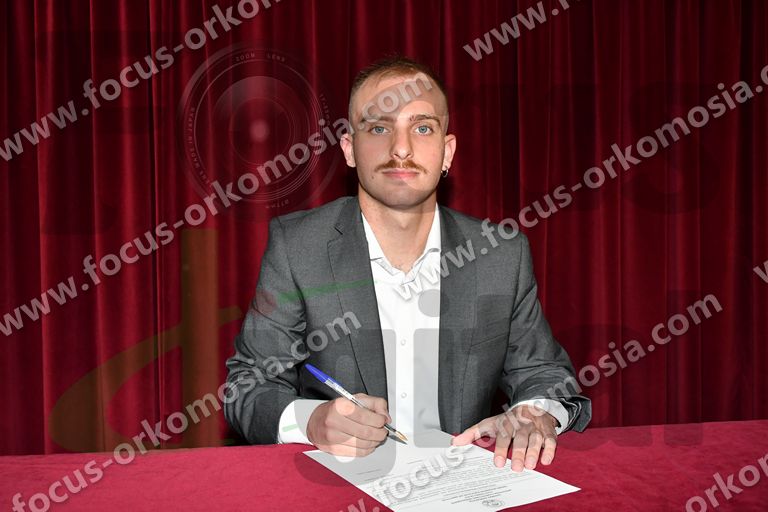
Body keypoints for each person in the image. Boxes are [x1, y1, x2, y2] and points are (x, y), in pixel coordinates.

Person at [224, 56, 590, 472]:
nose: (401, 149)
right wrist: (311, 421)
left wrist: (536, 413)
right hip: (339, 486)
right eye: (379, 128)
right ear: (349, 149)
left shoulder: (500, 254)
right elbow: (247, 385)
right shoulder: (297, 247)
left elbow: (544, 373)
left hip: (463, 484)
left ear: (447, 152)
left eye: (422, 128)